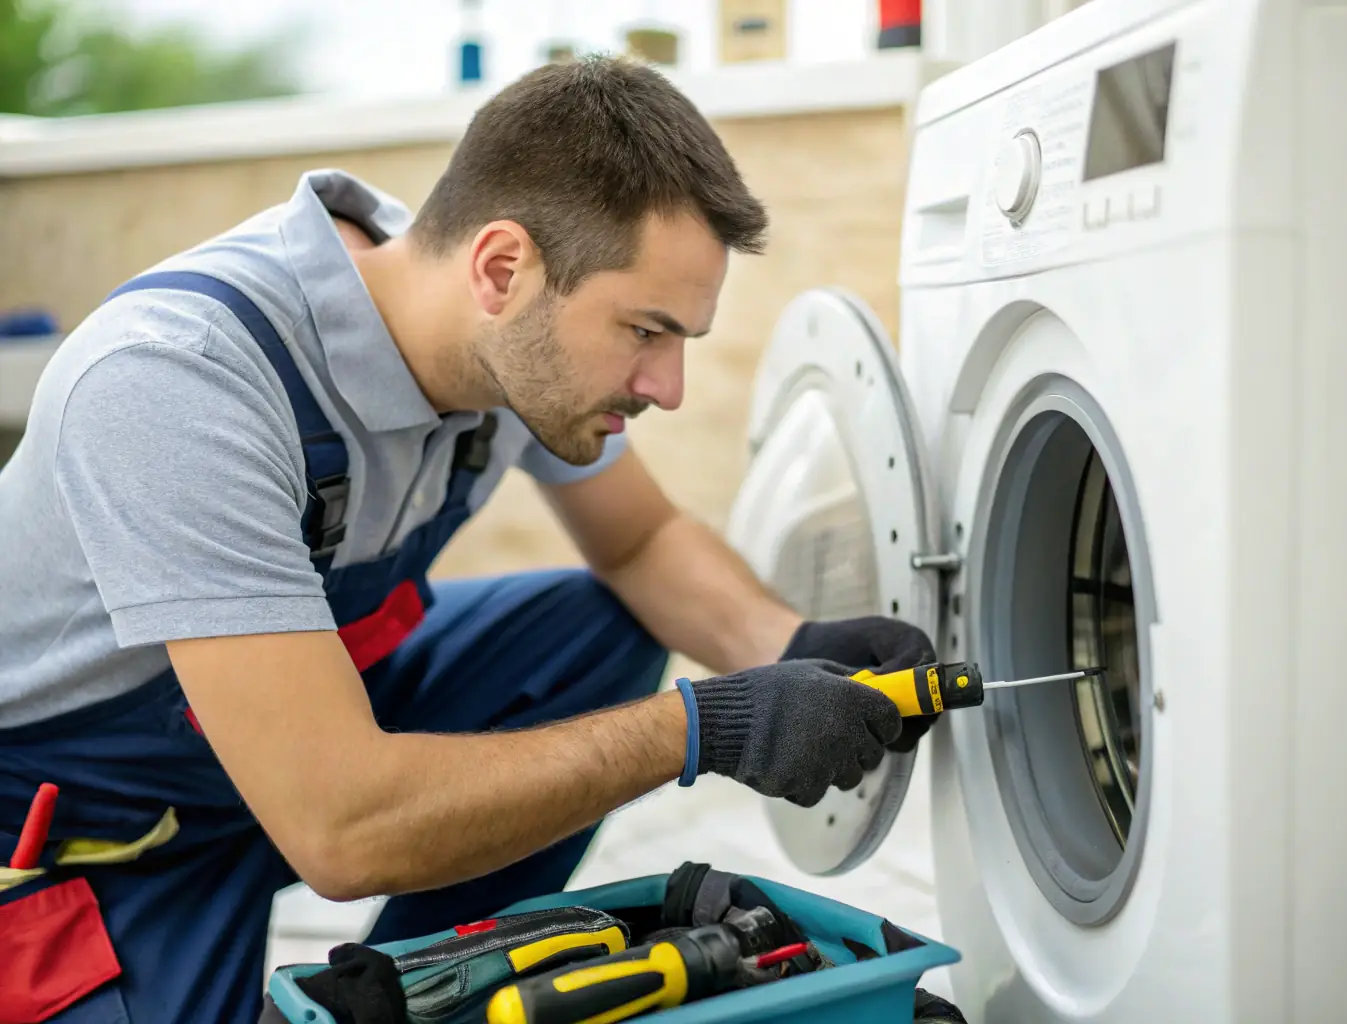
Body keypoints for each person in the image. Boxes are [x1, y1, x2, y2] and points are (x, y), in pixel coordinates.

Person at [0, 55, 937, 1023]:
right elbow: (340, 827)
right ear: (502, 269)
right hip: (88, 834)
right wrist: (710, 727)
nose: (669, 387)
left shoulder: (486, 319)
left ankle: (411, 992)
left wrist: (790, 648)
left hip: (289, 730)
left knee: (594, 632)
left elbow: (642, 540)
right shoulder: (178, 383)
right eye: (646, 332)